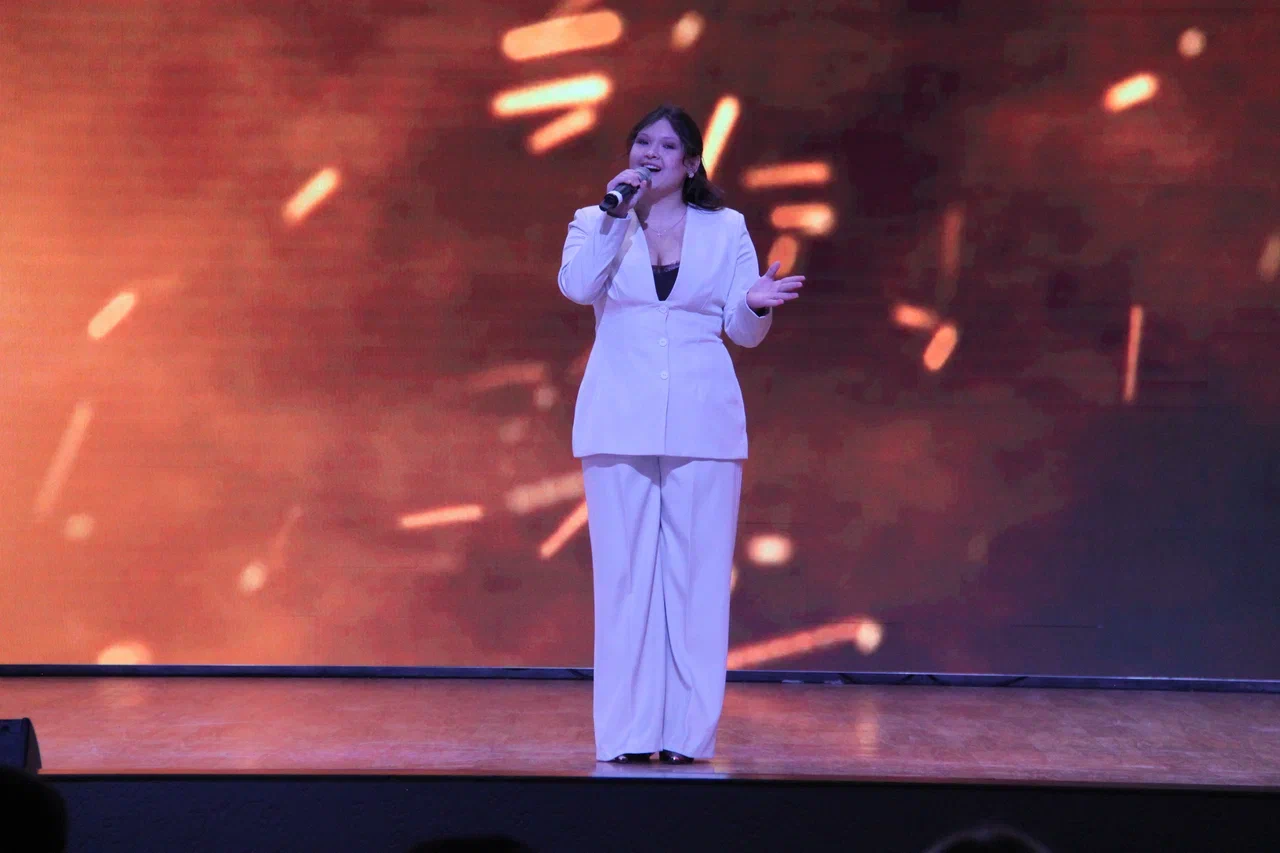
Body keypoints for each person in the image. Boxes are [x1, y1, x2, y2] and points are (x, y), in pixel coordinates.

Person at [557, 104, 804, 764]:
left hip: (704, 419)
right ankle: (627, 735)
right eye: (643, 142)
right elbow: (578, 287)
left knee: (697, 583)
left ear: (692, 162)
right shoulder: (594, 220)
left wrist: (753, 304)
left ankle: (688, 738)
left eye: (668, 145)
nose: (652, 152)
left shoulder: (727, 228)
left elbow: (742, 330)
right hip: (618, 417)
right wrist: (614, 216)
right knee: (624, 581)